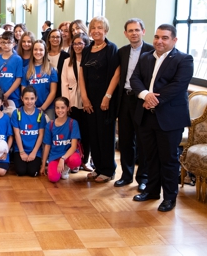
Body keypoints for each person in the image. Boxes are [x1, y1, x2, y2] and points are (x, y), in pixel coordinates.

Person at [130, 24, 193, 212]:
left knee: (168, 159)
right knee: (149, 157)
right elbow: (135, 79)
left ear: (174, 40)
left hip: (169, 118)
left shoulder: (184, 59)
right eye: (157, 37)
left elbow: (178, 85)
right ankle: (151, 191)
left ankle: (169, 198)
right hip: (146, 116)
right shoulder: (145, 57)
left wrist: (153, 99)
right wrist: (144, 95)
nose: (159, 41)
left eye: (165, 38)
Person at [114, 18, 154, 191]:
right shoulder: (122, 52)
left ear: (143, 31)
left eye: (137, 30)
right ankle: (126, 175)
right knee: (125, 139)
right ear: (125, 34)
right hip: (125, 98)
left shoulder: (152, 51)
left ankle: (143, 178)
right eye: (130, 30)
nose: (134, 33)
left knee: (143, 140)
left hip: (142, 100)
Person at [79, 16, 120, 183]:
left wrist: (107, 96)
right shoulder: (87, 49)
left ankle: (108, 169)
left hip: (105, 99)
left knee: (105, 135)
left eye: (100, 28)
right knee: (93, 134)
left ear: (106, 30)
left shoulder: (111, 48)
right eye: (93, 27)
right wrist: (84, 97)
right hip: (90, 98)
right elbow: (82, 73)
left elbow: (117, 73)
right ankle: (98, 167)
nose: (96, 30)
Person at [61, 33, 93, 172]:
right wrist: (66, 104)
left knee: (87, 132)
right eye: (75, 44)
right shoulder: (67, 62)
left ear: (86, 44)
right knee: (73, 133)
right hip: (72, 101)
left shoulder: (90, 61)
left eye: (81, 43)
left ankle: (85, 160)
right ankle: (74, 160)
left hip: (88, 102)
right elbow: (64, 82)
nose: (78, 46)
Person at [41, 97, 82, 182]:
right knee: (53, 178)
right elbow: (47, 146)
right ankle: (59, 168)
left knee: (75, 160)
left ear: (67, 108)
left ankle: (66, 167)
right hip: (55, 156)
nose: (60, 110)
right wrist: (43, 165)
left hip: (68, 155)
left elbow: (73, 147)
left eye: (62, 107)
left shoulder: (73, 123)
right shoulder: (50, 125)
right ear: (54, 109)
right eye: (57, 108)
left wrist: (63, 159)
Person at [11, 86, 46, 177]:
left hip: (35, 150)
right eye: (26, 98)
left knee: (32, 173)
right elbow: (17, 134)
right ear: (22, 98)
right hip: (20, 149)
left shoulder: (40, 114)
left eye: (32, 99)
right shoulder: (17, 112)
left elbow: (41, 135)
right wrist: (22, 152)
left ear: (36, 99)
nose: (29, 101)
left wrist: (34, 152)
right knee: (21, 172)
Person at [22, 40, 57, 120]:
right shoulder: (25, 69)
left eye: (41, 50)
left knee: (49, 131)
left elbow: (53, 92)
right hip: (30, 107)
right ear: (32, 51)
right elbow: (23, 90)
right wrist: (30, 104)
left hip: (48, 108)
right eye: (35, 49)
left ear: (45, 51)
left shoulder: (51, 69)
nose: (38, 52)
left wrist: (42, 108)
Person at [0, 30, 23, 108]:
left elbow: (18, 79)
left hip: (14, 96)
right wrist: (1, 94)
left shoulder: (18, 59)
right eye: (3, 42)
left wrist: (7, 94)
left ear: (14, 44)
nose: (6, 45)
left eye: (8, 43)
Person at [46, 28, 70, 98]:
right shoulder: (44, 55)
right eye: (53, 37)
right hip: (46, 89)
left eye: (57, 37)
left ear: (61, 39)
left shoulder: (66, 56)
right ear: (49, 39)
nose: (55, 39)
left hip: (60, 90)